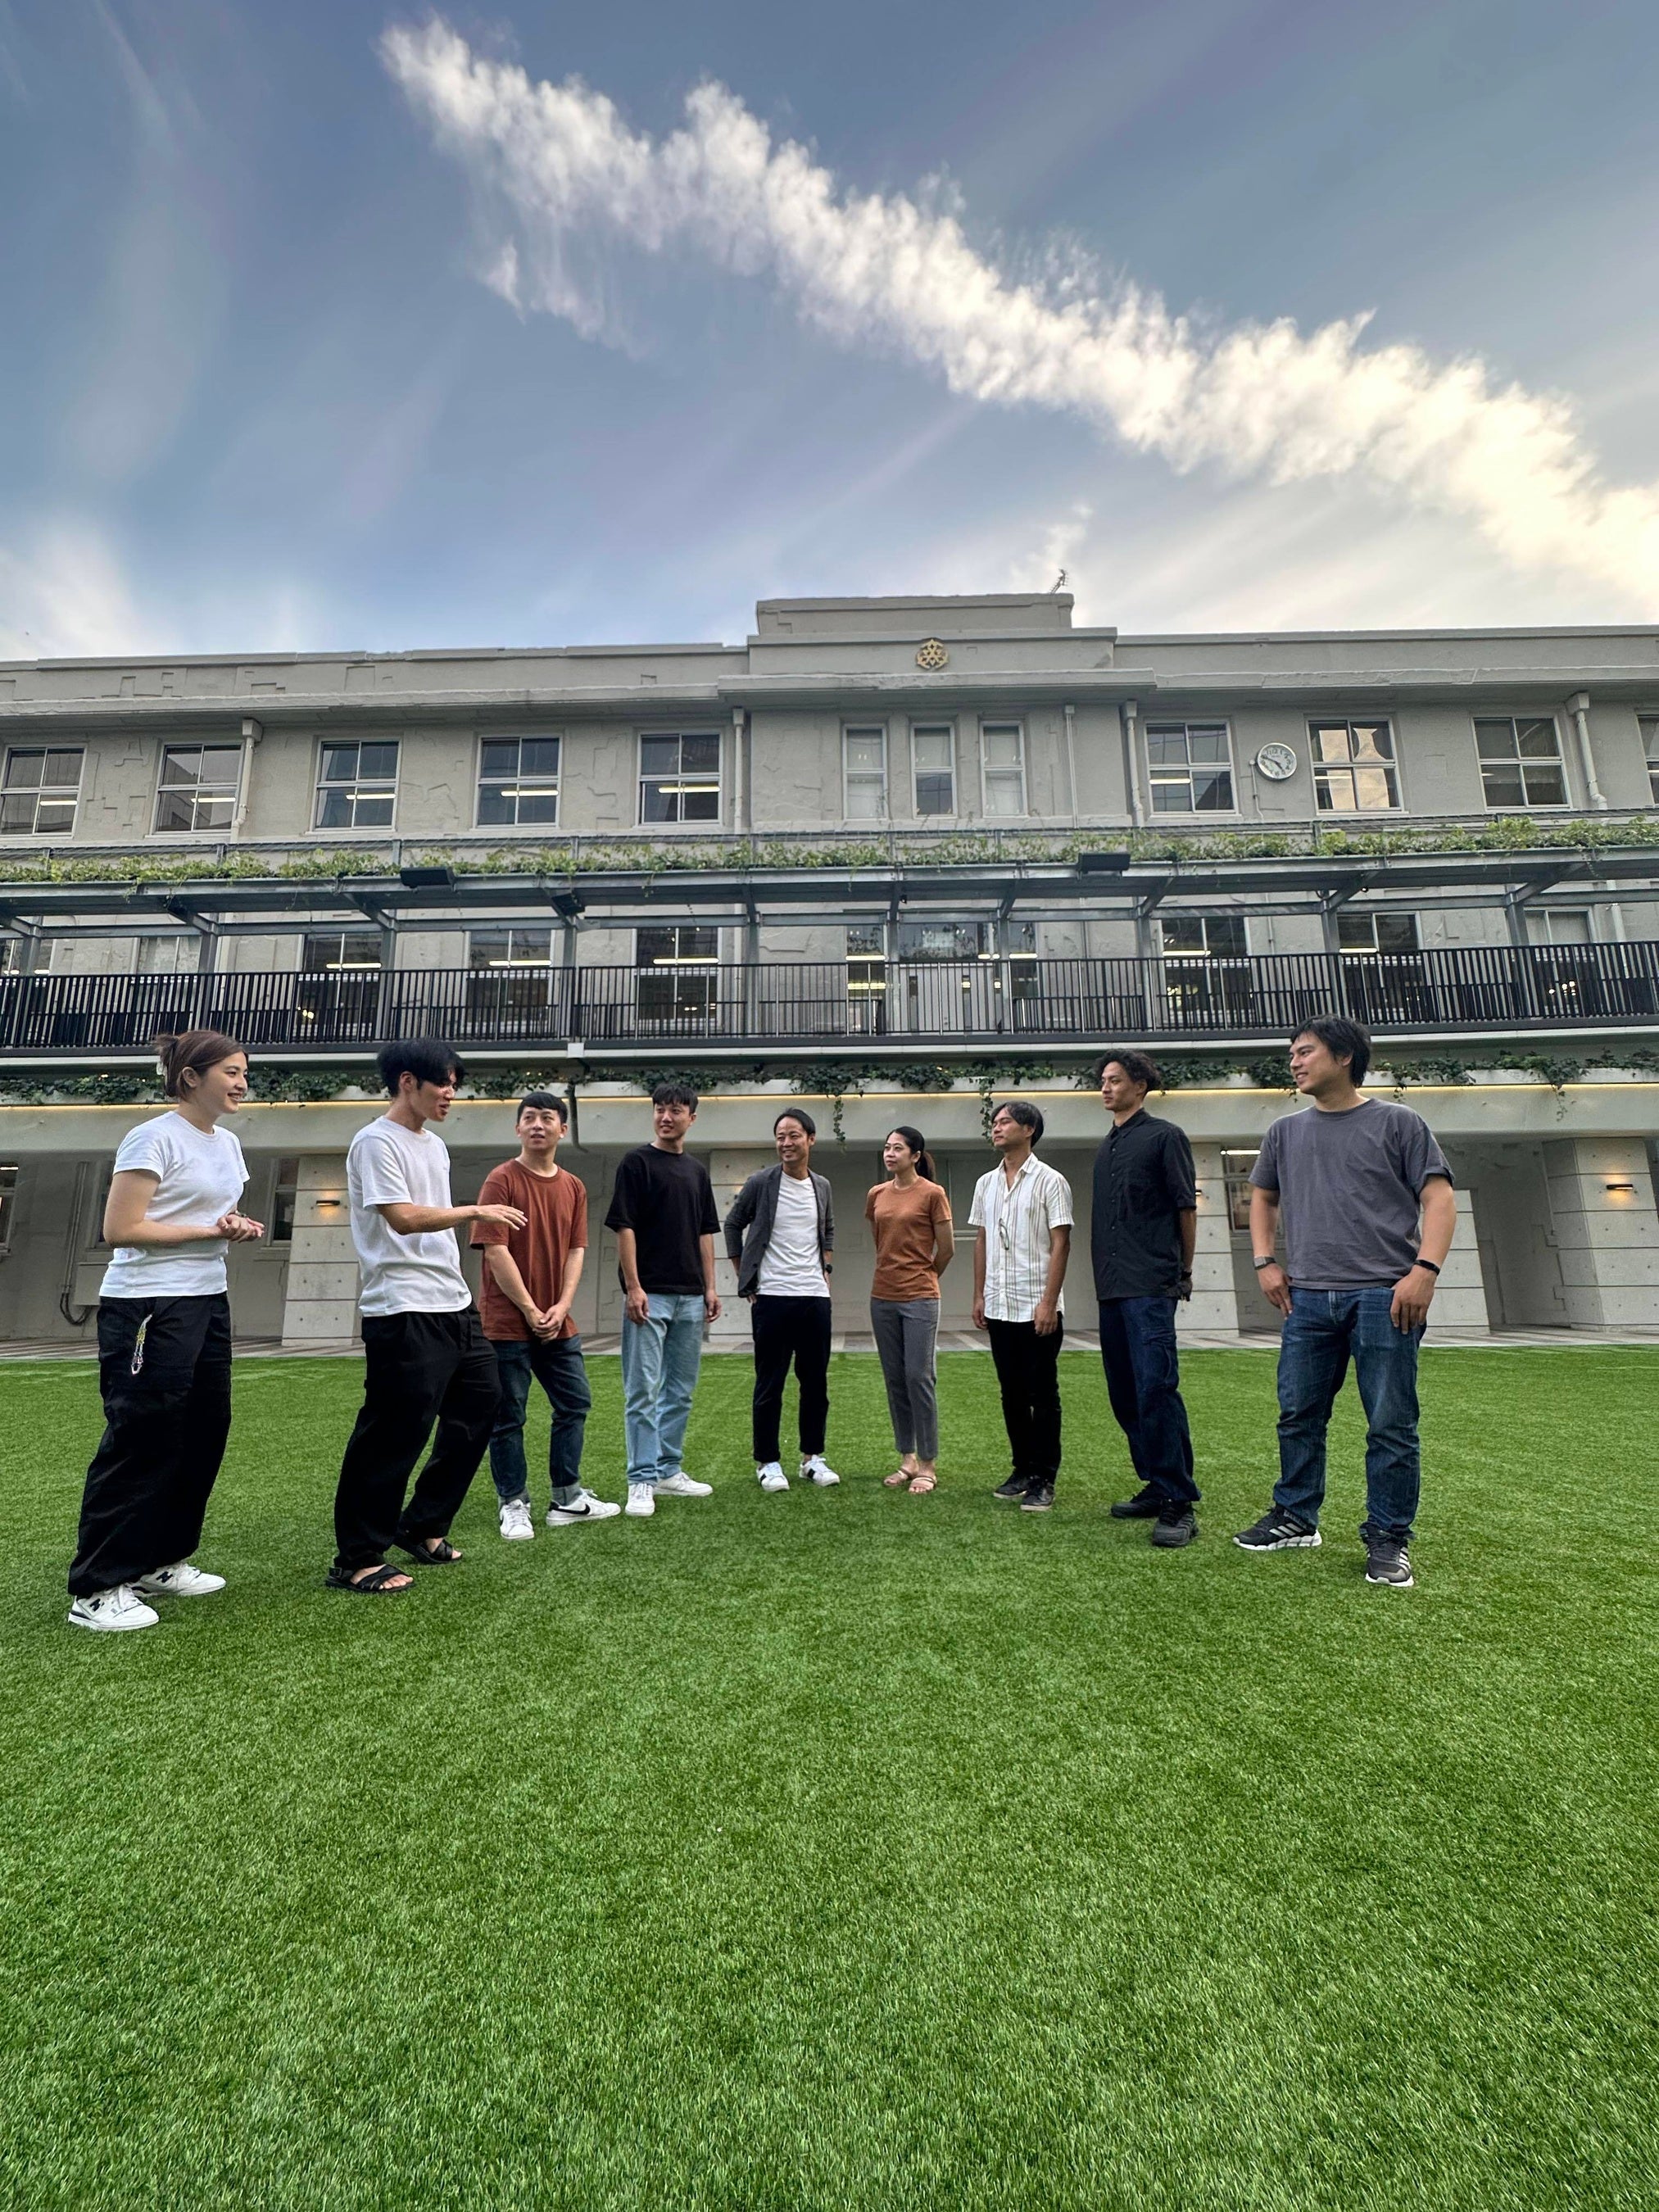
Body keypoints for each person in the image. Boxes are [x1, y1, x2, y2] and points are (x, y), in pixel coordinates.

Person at [1235, 1015, 1456, 1590]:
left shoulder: (1399, 1122)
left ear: (1343, 1057)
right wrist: (1264, 1261)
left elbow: (1438, 1199)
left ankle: (1388, 1537)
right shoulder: (1284, 1132)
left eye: (1305, 1051)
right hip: (1307, 1298)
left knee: (1390, 1424)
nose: (1294, 1062)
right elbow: (1262, 1197)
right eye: (1292, 1054)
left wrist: (1425, 1271)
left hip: (1385, 1296)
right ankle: (1295, 1517)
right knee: (1298, 1414)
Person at [66, 1030, 265, 1632]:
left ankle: (161, 1560)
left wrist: (232, 1224)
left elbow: (202, 1214)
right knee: (143, 1436)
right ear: (190, 1078)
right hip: (148, 1303)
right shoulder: (152, 1136)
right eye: (231, 1072)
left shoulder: (228, 1143)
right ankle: (97, 1588)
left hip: (207, 1298)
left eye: (244, 1072)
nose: (242, 1083)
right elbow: (122, 1228)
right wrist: (213, 1230)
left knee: (203, 1431)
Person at [328, 1039, 524, 1595]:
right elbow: (404, 1218)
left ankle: (422, 1525)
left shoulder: (433, 1145)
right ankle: (357, 1557)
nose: (451, 1094)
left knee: (480, 1407)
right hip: (402, 1306)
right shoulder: (374, 1142)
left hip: (452, 1303)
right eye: (444, 1083)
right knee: (393, 1432)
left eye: (455, 1085)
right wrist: (475, 1210)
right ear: (408, 1081)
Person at [470, 1090, 616, 1539]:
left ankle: (567, 1498)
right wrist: (531, 1309)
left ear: (562, 1129)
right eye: (529, 1117)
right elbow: (495, 1251)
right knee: (508, 1417)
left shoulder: (574, 1187)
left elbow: (576, 1250)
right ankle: (513, 1503)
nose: (538, 1124)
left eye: (547, 1118)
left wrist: (562, 1306)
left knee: (574, 1403)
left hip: (557, 1322)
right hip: (507, 1323)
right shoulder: (501, 1179)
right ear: (518, 1127)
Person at [1093, 1051, 1202, 1549]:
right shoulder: (1107, 1146)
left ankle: (1179, 1499)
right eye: (1103, 1081)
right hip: (1112, 1287)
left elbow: (1185, 1206)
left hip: (1152, 1285)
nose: (1105, 1088)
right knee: (1125, 1392)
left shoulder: (1165, 1136)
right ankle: (1157, 1483)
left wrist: (1184, 1271)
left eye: (1115, 1080)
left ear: (1140, 1086)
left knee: (1157, 1388)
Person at [605, 1081, 722, 1519]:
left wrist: (711, 1287)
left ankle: (668, 1470)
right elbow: (625, 1227)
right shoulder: (636, 1163)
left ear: (692, 1117)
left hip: (690, 1296)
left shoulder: (696, 1171)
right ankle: (641, 1478)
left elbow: (705, 1232)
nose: (666, 1117)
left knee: (680, 1391)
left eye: (675, 1110)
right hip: (649, 1295)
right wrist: (633, 1287)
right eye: (659, 1109)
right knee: (642, 1392)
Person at [725, 1108, 841, 1493]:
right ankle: (767, 1462)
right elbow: (733, 1223)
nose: (786, 1143)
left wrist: (826, 1267)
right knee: (770, 1383)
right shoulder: (761, 1182)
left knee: (815, 1384)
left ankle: (812, 1458)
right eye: (780, 1137)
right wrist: (745, 1275)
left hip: (814, 1297)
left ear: (810, 1139)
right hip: (772, 1297)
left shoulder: (821, 1185)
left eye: (793, 1135)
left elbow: (827, 1228)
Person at [970, 1100, 1072, 1513]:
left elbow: (1061, 1243)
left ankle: (1044, 1477)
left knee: (1042, 1395)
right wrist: (979, 1295)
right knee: (1011, 1393)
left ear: (1029, 1129)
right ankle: (1022, 1469)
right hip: (999, 1304)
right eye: (994, 1122)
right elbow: (981, 1241)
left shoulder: (1051, 1181)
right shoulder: (985, 1183)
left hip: (1036, 1307)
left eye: (1005, 1121)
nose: (996, 1127)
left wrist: (1049, 1302)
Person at [867, 1127, 954, 1495]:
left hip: (920, 1297)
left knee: (919, 1377)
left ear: (915, 1156)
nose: (890, 1153)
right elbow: (881, 1242)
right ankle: (908, 1458)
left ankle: (928, 1463)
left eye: (898, 1148)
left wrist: (924, 1277)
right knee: (895, 1379)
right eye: (887, 1147)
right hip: (882, 1297)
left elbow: (946, 1249)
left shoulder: (933, 1194)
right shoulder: (876, 1194)